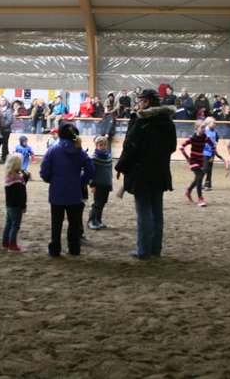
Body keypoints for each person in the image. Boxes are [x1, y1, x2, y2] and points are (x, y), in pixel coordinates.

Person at [114, 89, 177, 260]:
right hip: (160, 172)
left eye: (139, 100)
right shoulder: (168, 122)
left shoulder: (141, 122)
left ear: (147, 102)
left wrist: (120, 167)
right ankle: (155, 249)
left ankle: (143, 250)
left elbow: (130, 147)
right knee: (157, 212)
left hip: (141, 173)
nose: (137, 103)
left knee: (144, 213)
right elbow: (172, 147)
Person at [40, 123, 95, 257]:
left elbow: (44, 171)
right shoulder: (80, 151)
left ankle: (55, 249)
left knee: (56, 223)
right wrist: (81, 179)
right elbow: (91, 171)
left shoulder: (53, 150)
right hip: (74, 192)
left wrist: (52, 180)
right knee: (74, 223)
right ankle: (74, 248)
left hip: (57, 192)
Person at [180, 121, 217, 207]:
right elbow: (181, 147)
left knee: (198, 177)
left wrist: (212, 156)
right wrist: (187, 158)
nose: (203, 129)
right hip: (193, 161)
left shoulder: (205, 137)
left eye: (204, 127)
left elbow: (213, 146)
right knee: (200, 177)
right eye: (202, 127)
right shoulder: (192, 138)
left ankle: (188, 191)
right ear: (197, 128)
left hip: (201, 161)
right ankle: (200, 198)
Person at [2, 153, 29, 252]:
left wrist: (25, 178)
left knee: (8, 223)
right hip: (16, 206)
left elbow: (19, 187)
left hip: (9, 205)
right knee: (15, 226)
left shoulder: (9, 176)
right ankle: (12, 245)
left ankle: (5, 242)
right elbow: (20, 194)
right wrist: (23, 206)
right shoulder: (17, 178)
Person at [87, 135, 113, 230]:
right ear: (96, 146)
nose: (103, 147)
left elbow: (110, 172)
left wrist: (110, 184)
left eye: (104, 145)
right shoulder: (94, 158)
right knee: (97, 203)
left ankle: (98, 220)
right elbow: (90, 172)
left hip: (106, 184)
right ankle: (91, 221)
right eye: (100, 145)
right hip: (97, 185)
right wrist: (92, 185)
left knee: (103, 202)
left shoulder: (108, 157)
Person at [202, 117, 225, 191]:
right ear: (208, 123)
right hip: (204, 153)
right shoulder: (203, 131)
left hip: (211, 152)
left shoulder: (215, 133)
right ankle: (199, 181)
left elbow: (215, 143)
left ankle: (207, 184)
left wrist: (213, 154)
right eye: (213, 123)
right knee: (205, 168)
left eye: (215, 123)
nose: (215, 124)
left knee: (209, 169)